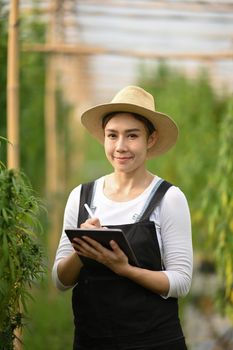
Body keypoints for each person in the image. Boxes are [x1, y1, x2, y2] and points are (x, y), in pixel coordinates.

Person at [52, 85, 193, 350]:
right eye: (112, 135)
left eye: (132, 136)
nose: (120, 146)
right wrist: (83, 250)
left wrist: (124, 269)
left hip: (154, 341)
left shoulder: (169, 198)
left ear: (150, 140)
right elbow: (60, 280)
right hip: (91, 341)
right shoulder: (82, 197)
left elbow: (181, 282)